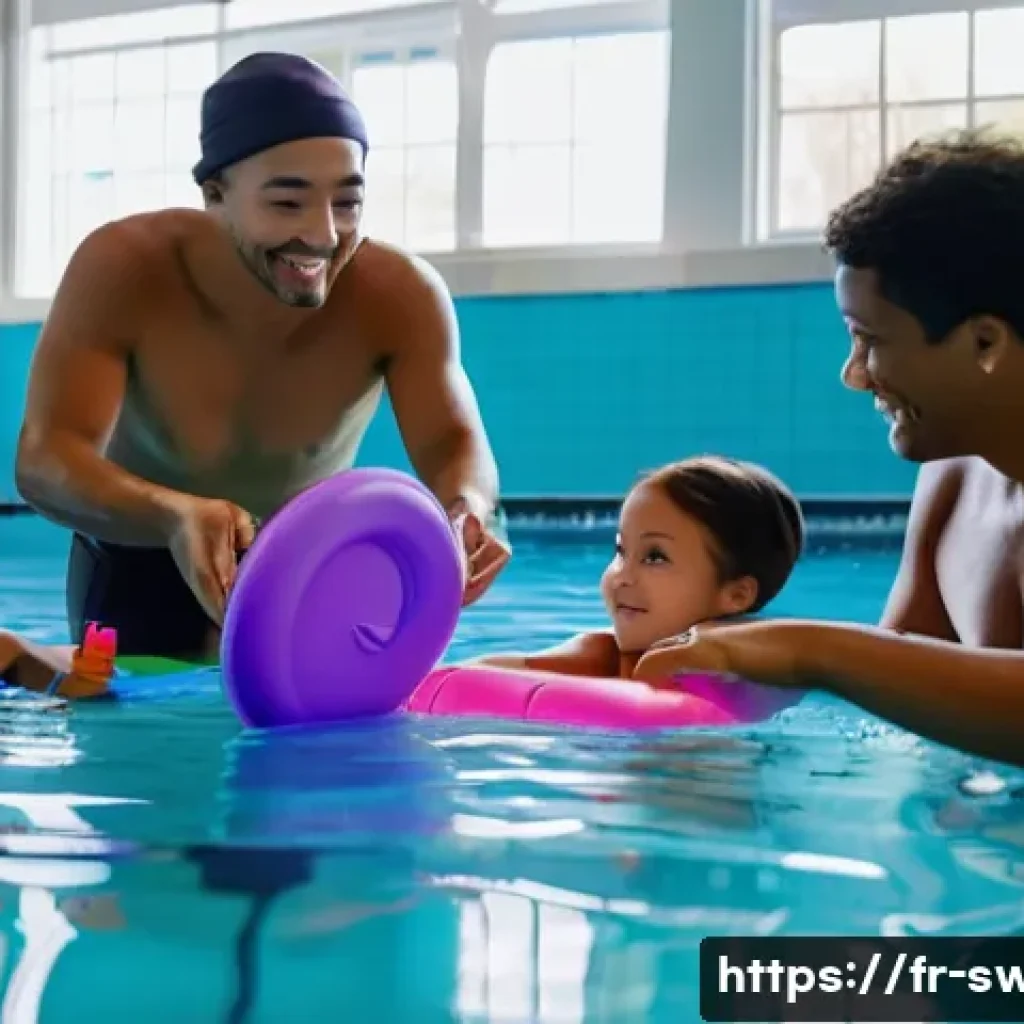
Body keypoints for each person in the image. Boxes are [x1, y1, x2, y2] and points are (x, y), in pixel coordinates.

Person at [14, 52, 509, 661]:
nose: (324, 235)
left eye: (347, 203)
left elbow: (452, 443)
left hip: (301, 568)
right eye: (287, 203)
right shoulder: (126, 269)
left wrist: (468, 513)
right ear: (214, 194)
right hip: (139, 560)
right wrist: (172, 516)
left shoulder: (400, 296)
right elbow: (44, 460)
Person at [632, 131, 1024, 766]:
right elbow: (898, 701)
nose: (855, 374)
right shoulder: (954, 479)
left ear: (985, 343)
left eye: (870, 340)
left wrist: (806, 651)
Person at [469, 456, 804, 678]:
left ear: (736, 594)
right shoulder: (602, 655)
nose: (621, 576)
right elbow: (477, 674)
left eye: (655, 557)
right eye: (620, 551)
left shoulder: (757, 667)